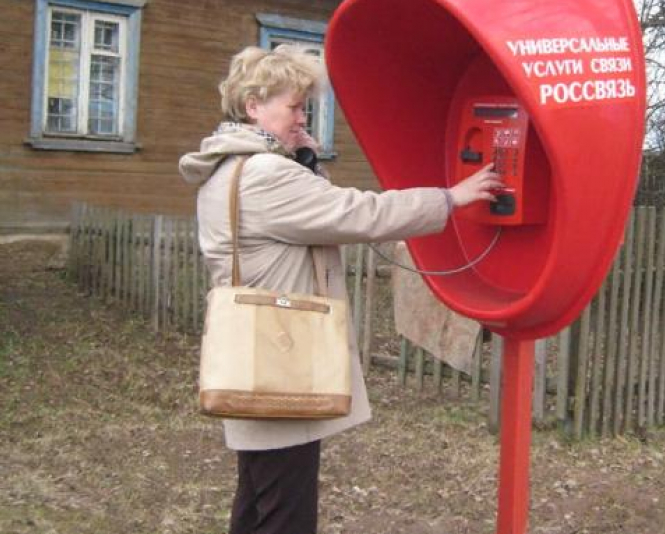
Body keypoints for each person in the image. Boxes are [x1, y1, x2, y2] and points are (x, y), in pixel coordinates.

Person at [178, 44, 502, 534]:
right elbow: (356, 213)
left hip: (256, 354)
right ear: (253, 107)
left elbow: (315, 212)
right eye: (293, 106)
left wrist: (303, 155)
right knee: (287, 514)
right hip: (282, 361)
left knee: (258, 500)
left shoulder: (231, 168)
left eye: (304, 106)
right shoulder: (265, 174)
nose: (301, 116)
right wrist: (449, 199)